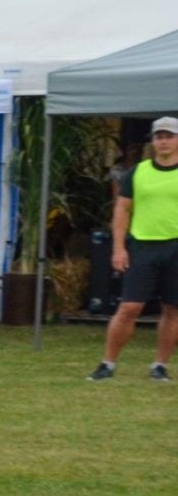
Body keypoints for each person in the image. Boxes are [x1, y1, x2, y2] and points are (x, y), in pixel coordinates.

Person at [88, 116, 178, 382]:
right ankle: (107, 363)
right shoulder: (137, 172)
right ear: (152, 141)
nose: (163, 142)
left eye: (169, 136)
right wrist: (118, 248)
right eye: (158, 137)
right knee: (129, 307)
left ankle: (159, 365)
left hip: (176, 247)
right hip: (143, 246)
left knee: (173, 309)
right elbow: (122, 209)